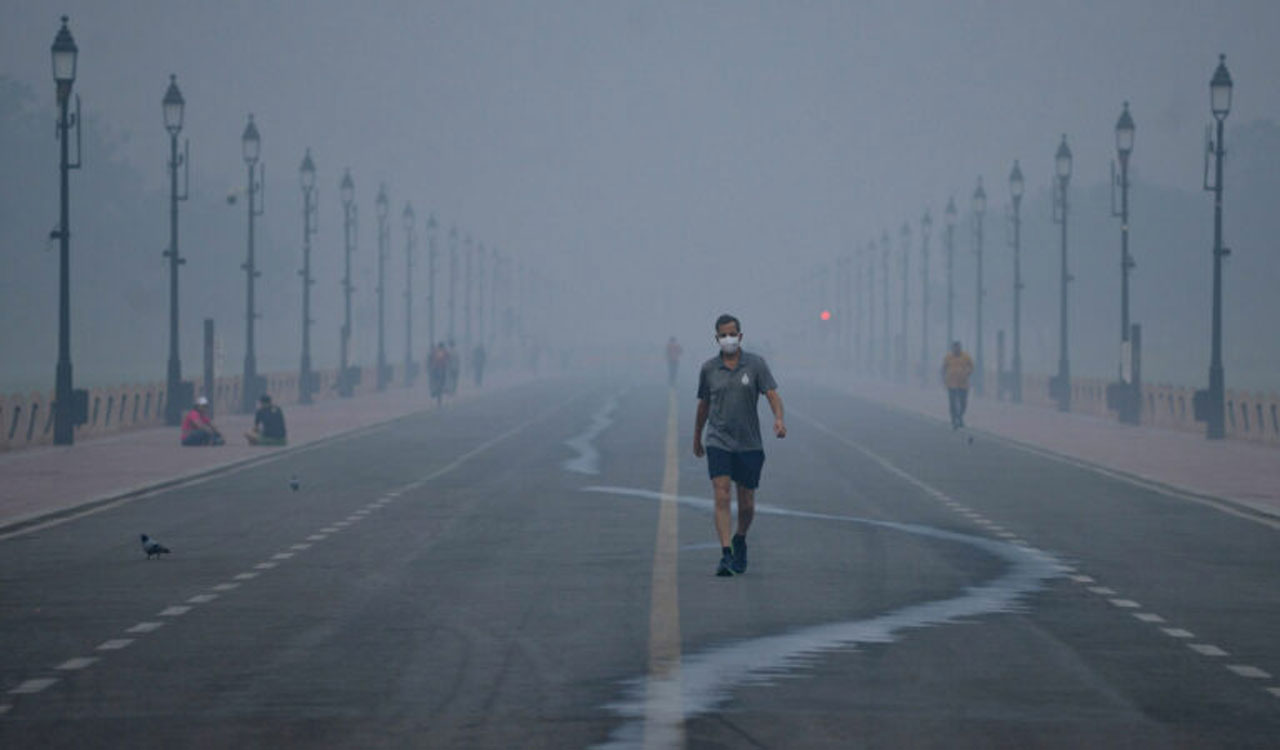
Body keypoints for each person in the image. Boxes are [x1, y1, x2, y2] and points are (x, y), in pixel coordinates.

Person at [693, 314, 786, 577]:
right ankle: (725, 553)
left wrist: (779, 420)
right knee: (721, 494)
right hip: (718, 440)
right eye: (723, 335)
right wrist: (697, 436)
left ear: (740, 336)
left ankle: (740, 539)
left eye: (732, 333)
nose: (728, 339)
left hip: (749, 443)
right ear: (716, 338)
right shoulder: (709, 369)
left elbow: (772, 395)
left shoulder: (755, 365)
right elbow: (703, 405)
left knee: (746, 504)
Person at [942, 340, 975, 429]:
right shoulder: (948, 357)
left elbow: (971, 366)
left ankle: (960, 416)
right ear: (952, 348)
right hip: (951, 383)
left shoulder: (966, 357)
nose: (956, 349)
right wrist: (943, 379)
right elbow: (943, 368)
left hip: (963, 383)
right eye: (955, 347)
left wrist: (968, 372)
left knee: (963, 403)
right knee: (952, 402)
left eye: (958, 347)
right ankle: (954, 419)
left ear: (960, 348)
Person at [429, 341, 449, 406]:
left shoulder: (435, 351)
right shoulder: (445, 351)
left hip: (435, 369)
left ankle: (433, 391)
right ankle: (444, 389)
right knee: (444, 380)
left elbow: (430, 359)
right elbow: (448, 358)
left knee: (433, 380)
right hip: (442, 369)